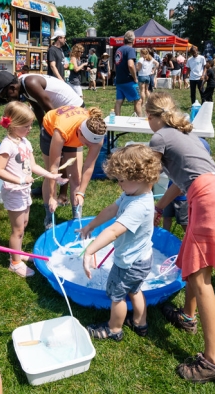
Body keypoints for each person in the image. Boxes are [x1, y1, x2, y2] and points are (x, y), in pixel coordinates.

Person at [146, 92, 215, 383]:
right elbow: (178, 180)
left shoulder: (159, 137)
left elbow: (145, 175)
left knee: (201, 278)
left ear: (151, 117)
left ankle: (214, 361)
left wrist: (134, 204)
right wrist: (160, 207)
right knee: (194, 263)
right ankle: (187, 317)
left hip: (208, 199)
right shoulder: (186, 136)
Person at [79, 145, 159, 341]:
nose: (119, 184)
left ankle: (114, 329)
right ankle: (140, 323)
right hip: (141, 259)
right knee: (135, 289)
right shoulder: (134, 193)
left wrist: (89, 251)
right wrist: (90, 225)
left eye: (121, 180)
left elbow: (114, 230)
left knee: (117, 296)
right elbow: (111, 210)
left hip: (129, 263)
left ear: (139, 178)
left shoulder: (139, 207)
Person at [0, 102, 64, 277]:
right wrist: (20, 179)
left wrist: (50, 175)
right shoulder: (7, 145)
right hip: (14, 191)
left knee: (24, 224)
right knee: (17, 230)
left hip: (24, 190)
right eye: (26, 126)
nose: (30, 128)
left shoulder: (24, 141)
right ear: (14, 125)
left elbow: (32, 165)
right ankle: (15, 263)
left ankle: (19, 254)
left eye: (31, 124)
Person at [0, 69, 83, 203]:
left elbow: (51, 111)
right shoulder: (24, 87)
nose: (7, 99)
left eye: (6, 95)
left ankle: (62, 195)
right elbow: (38, 109)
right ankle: (54, 188)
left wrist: (55, 136)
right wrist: (43, 131)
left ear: (12, 87)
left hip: (72, 113)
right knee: (55, 154)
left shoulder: (30, 83)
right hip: (61, 114)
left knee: (60, 155)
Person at [42, 106, 106, 228]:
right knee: (49, 175)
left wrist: (81, 193)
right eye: (86, 144)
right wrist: (53, 195)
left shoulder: (96, 137)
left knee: (76, 179)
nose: (89, 147)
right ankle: (49, 217)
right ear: (80, 132)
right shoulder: (62, 130)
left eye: (92, 145)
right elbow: (54, 168)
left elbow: (88, 166)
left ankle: (77, 219)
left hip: (73, 135)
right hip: (50, 131)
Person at [114, 30, 142, 116]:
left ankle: (117, 120)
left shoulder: (118, 50)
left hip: (119, 80)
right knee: (138, 100)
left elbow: (116, 65)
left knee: (119, 101)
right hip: (129, 80)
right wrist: (135, 77)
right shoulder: (130, 50)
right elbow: (130, 65)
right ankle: (141, 121)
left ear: (124, 40)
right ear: (134, 40)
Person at [137, 48, 158, 113]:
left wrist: (136, 67)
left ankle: (143, 103)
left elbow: (139, 68)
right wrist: (153, 70)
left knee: (142, 91)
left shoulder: (141, 59)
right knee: (147, 90)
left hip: (142, 75)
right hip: (148, 76)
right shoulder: (151, 58)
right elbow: (157, 63)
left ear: (142, 53)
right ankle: (149, 101)